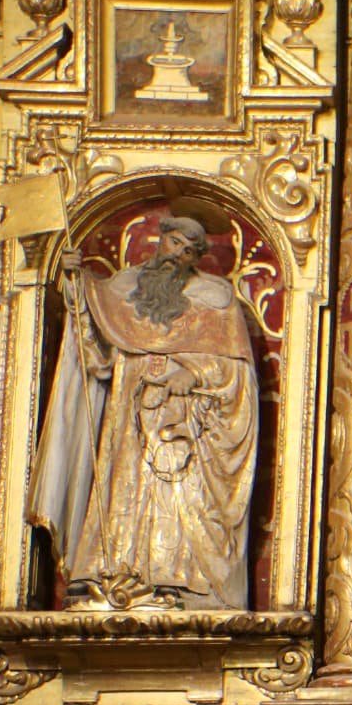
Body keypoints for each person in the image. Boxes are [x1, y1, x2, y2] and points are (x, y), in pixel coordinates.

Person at [30, 215, 262, 609]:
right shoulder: (121, 292)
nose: (179, 255)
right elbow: (98, 362)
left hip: (188, 427)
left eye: (189, 251)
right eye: (174, 244)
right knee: (123, 488)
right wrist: (78, 295)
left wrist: (194, 371)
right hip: (128, 422)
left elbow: (238, 371)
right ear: (160, 241)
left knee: (180, 496)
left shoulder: (215, 298)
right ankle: (109, 570)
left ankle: (181, 579)